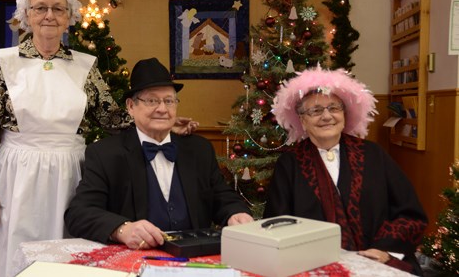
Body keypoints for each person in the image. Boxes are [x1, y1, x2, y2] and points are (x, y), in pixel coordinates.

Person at [0, 0, 196, 277]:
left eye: (58, 8)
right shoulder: (3, 62)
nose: (50, 15)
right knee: (15, 258)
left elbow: (113, 118)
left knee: (69, 257)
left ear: (68, 16)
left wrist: (160, 123)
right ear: (26, 14)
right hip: (16, 179)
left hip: (71, 175)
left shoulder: (85, 66)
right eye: (41, 7)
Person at [64, 57, 254, 249]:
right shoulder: (105, 154)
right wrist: (122, 229)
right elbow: (79, 214)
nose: (162, 109)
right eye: (152, 100)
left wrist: (235, 213)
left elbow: (223, 197)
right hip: (134, 260)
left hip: (194, 256)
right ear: (131, 106)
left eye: (169, 100)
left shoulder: (199, 149)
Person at [263, 65, 428, 276]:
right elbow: (277, 225)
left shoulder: (373, 154)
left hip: (378, 261)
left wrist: (384, 249)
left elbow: (410, 214)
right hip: (313, 266)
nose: (326, 116)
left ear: (344, 114)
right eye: (315, 111)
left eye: (333, 108)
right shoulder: (289, 163)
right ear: (302, 121)